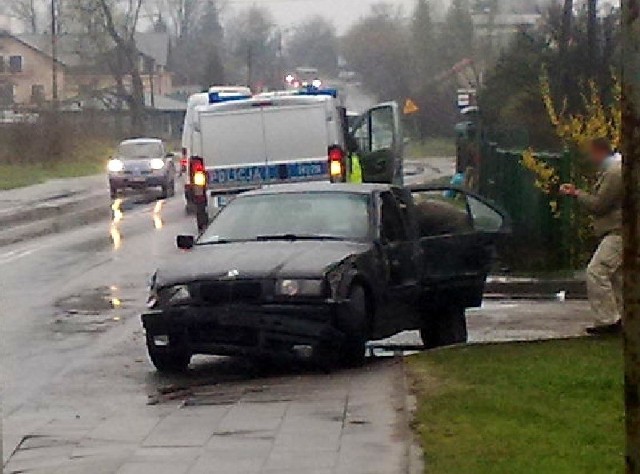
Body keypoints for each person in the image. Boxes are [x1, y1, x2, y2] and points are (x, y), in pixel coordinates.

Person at [560, 137, 623, 335]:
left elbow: (599, 204)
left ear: (598, 151)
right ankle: (620, 318)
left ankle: (608, 321)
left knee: (597, 271)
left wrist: (576, 194)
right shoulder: (615, 168)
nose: (589, 157)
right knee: (616, 277)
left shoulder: (614, 171)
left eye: (591, 152)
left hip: (618, 231)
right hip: (621, 229)